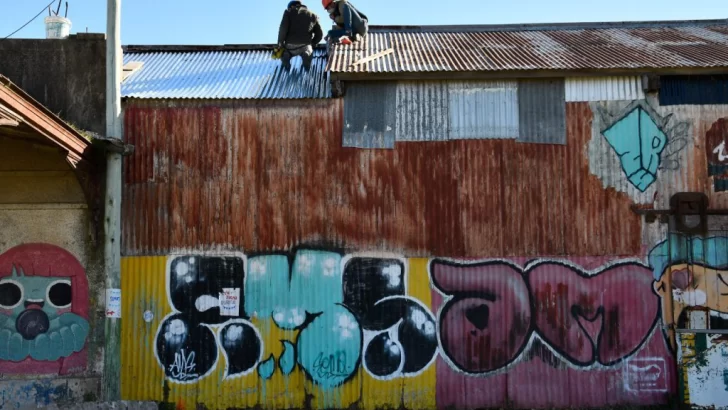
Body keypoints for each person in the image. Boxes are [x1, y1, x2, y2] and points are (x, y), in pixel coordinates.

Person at [277, 1, 324, 71]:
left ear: (292, 6)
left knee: (285, 53)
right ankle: (307, 54)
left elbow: (283, 28)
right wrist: (312, 43)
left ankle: (286, 56)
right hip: (305, 45)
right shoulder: (313, 15)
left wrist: (280, 43)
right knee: (308, 50)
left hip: (290, 45)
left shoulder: (288, 12)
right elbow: (319, 34)